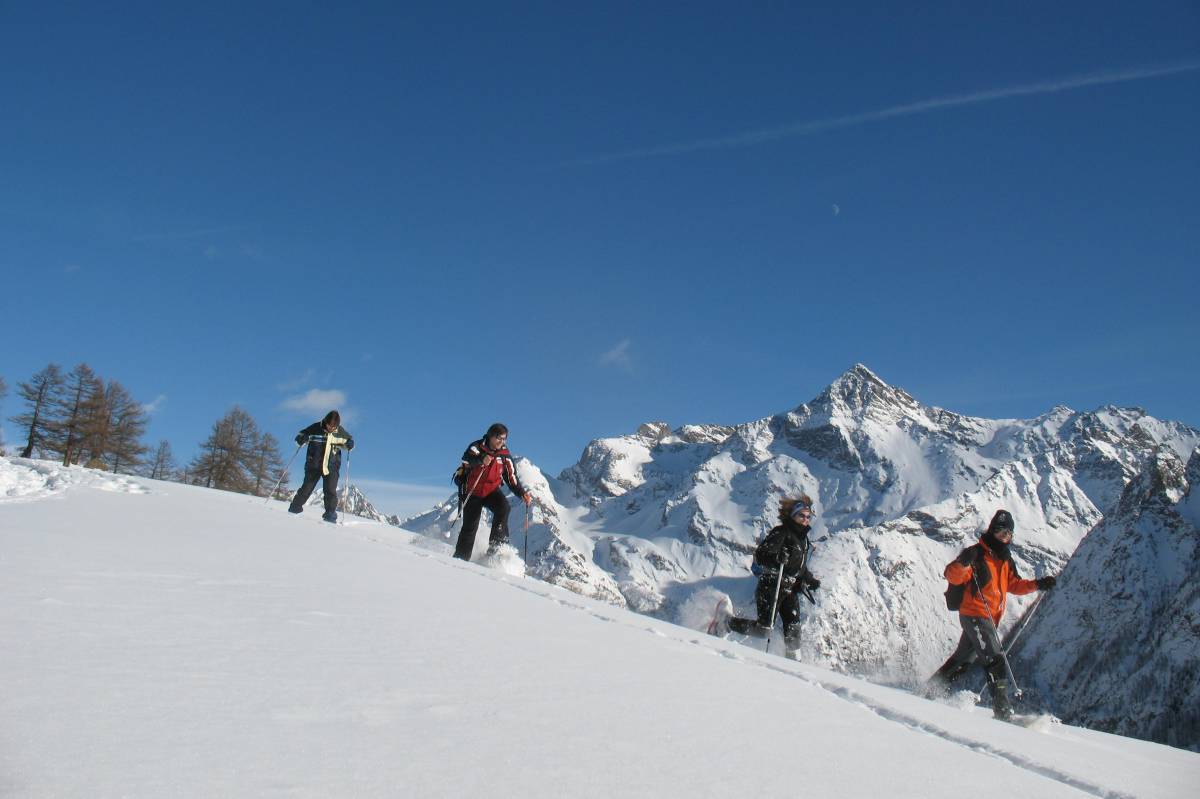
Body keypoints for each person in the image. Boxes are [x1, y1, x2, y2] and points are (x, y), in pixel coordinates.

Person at [929, 509, 1057, 720]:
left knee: (962, 661)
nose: (1004, 537)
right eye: (1000, 532)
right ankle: (1002, 710)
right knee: (994, 658)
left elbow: (1014, 584)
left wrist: (1038, 584)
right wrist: (963, 562)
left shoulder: (1005, 560)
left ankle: (928, 691)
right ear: (992, 531)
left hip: (989, 618)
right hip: (975, 614)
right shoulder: (977, 554)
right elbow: (952, 575)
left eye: (1008, 534)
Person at [717, 496, 821, 661]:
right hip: (772, 585)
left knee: (793, 630)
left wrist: (809, 580)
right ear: (792, 515)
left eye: (808, 516)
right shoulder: (781, 533)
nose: (805, 520)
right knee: (764, 629)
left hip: (790, 589)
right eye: (801, 515)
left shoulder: (803, 540)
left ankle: (793, 662)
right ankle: (726, 622)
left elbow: (799, 567)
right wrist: (778, 558)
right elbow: (762, 554)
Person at [453, 423, 531, 561]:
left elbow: (511, 477)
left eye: (504, 439)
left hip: (491, 491)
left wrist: (521, 493)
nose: (502, 441)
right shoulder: (477, 447)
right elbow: (465, 459)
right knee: (470, 527)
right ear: (490, 436)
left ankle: (495, 548)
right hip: (472, 491)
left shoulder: (504, 455)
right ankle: (460, 559)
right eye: (499, 438)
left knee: (504, 508)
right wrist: (481, 459)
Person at [287, 410, 354, 523]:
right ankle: (294, 509)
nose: (331, 429)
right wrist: (301, 439)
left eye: (334, 427)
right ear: (325, 422)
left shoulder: (340, 431)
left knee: (330, 491)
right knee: (306, 488)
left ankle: (330, 515)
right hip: (314, 464)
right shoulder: (315, 428)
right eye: (329, 426)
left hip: (332, 466)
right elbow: (300, 436)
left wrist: (350, 445)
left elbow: (350, 441)